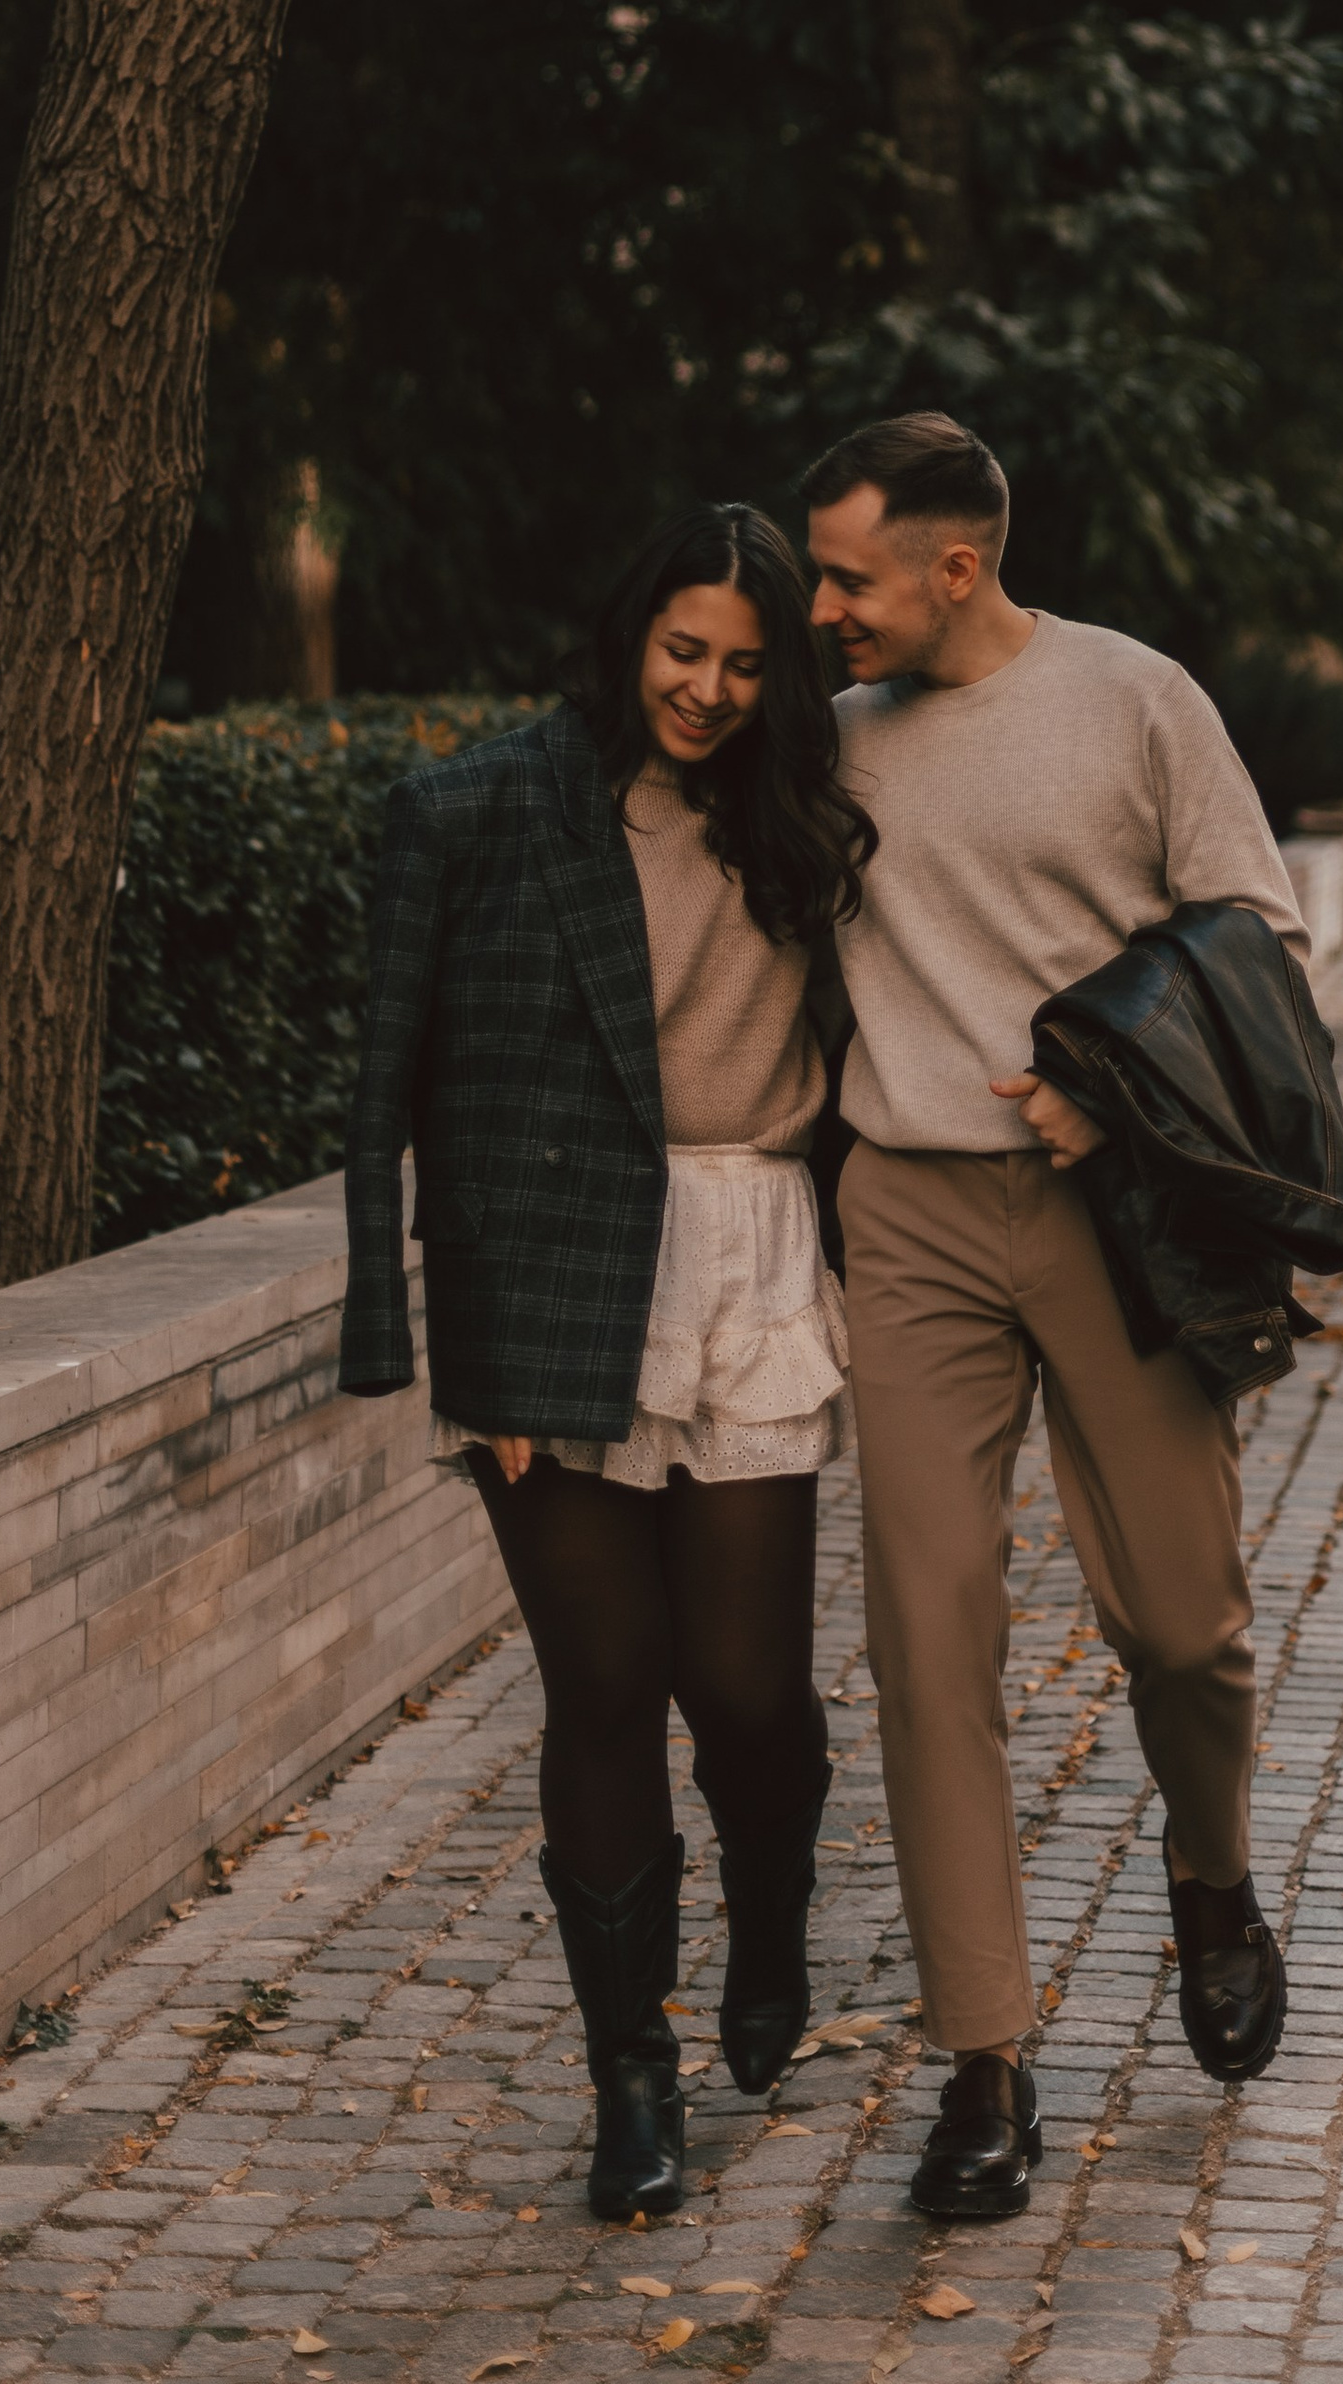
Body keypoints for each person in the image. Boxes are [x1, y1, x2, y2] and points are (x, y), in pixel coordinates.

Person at [340, 505, 872, 2221]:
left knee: (748, 1690)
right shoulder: (478, 809)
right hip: (559, 1282)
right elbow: (400, 1091)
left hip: (755, 1253)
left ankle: (771, 1907)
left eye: (743, 663)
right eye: (681, 650)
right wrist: (452, 1356)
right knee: (606, 1684)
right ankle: (630, 2077)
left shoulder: (812, 814)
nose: (706, 688)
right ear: (630, 631)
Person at [801, 413, 1304, 2223]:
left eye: (848, 578)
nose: (822, 609)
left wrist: (1120, 1093)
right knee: (927, 1639)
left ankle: (1212, 1878)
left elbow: (1259, 934)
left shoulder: (1136, 702)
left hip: (1114, 1213)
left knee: (1183, 1623)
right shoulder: (829, 741)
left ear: (955, 567)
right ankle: (984, 2065)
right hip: (909, 1208)